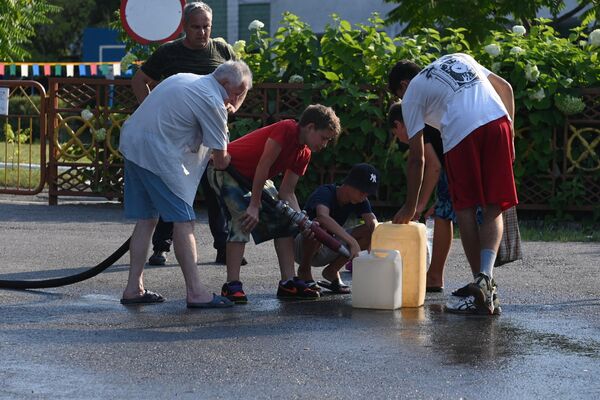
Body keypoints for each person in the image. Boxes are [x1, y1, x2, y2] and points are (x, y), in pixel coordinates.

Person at [387, 53, 517, 315]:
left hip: (460, 131)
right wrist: (510, 132)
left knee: (465, 208)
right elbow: (506, 88)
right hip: (498, 120)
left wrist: (411, 206)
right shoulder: (458, 57)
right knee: (494, 205)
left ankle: (481, 288)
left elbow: (417, 159)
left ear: (402, 85)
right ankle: (485, 279)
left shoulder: (412, 93)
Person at [119, 60, 252, 308]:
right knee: (184, 220)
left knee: (147, 219)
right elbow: (221, 161)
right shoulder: (213, 101)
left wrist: (232, 102)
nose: (235, 100)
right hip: (157, 155)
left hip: (133, 144)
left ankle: (133, 288)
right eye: (237, 93)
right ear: (224, 84)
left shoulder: (184, 76)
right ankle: (196, 292)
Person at [131, 1, 245, 266]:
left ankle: (222, 248)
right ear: (184, 27)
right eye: (196, 27)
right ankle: (161, 247)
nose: (202, 32)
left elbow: (243, 79)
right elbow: (139, 81)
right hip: (177, 138)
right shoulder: (169, 53)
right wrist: (152, 111)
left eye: (206, 27)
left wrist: (233, 106)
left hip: (211, 134)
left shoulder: (221, 50)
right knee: (174, 191)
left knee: (216, 191)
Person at [207, 104, 342, 303]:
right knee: (244, 216)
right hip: (226, 170)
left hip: (252, 179)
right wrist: (254, 205)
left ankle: (288, 283)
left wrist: (302, 221)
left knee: (284, 218)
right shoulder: (286, 129)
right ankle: (231, 285)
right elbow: (264, 165)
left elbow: (287, 192)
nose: (325, 144)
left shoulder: (304, 153)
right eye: (324, 138)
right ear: (310, 127)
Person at [388, 102, 454, 293]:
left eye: (396, 133)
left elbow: (433, 167)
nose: (399, 140)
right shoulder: (431, 122)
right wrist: (433, 201)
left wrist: (417, 206)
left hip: (453, 166)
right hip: (457, 163)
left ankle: (434, 276)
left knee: (444, 216)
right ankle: (435, 275)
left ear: (400, 124)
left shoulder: (420, 127)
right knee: (443, 213)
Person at [294, 163, 379, 294]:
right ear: (350, 183)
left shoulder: (361, 200)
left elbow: (373, 222)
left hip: (330, 244)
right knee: (318, 225)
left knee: (370, 232)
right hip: (303, 245)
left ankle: (332, 271)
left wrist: (374, 243)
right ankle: (304, 270)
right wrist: (352, 241)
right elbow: (322, 217)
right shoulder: (326, 192)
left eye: (367, 193)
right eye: (362, 191)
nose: (364, 196)